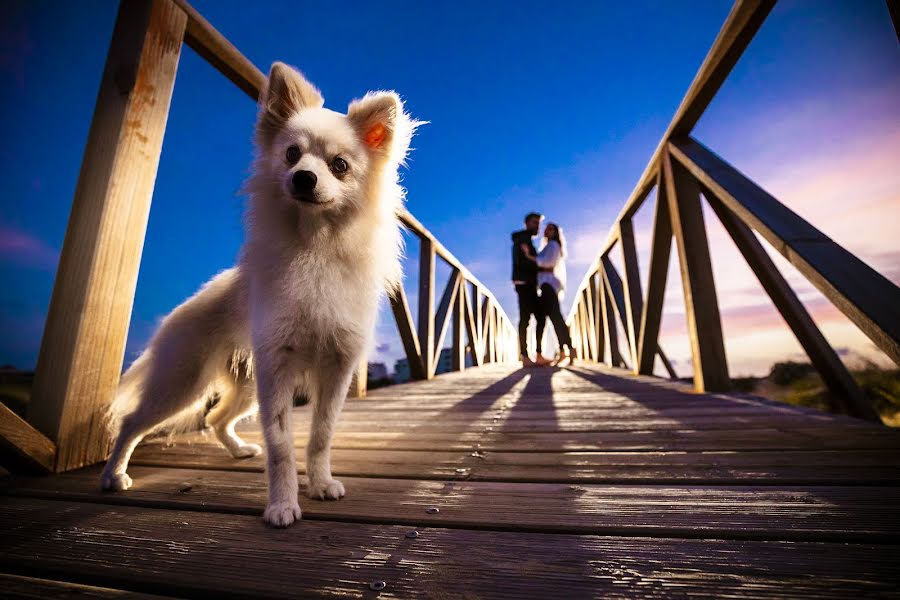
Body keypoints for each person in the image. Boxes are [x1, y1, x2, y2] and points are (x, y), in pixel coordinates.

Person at [532, 222, 573, 365]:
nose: (547, 231)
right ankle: (565, 350)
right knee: (552, 318)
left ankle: (566, 349)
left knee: (553, 319)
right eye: (546, 229)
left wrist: (530, 258)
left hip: (548, 286)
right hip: (545, 286)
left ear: (556, 232)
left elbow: (548, 263)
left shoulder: (554, 245)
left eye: (551, 229)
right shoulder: (547, 246)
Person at [511, 212, 544, 367]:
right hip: (524, 284)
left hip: (529, 284)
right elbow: (520, 262)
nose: (537, 226)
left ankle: (537, 354)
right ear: (526, 223)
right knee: (526, 318)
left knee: (539, 317)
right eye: (534, 223)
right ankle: (525, 356)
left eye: (538, 223)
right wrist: (537, 265)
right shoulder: (522, 240)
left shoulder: (527, 240)